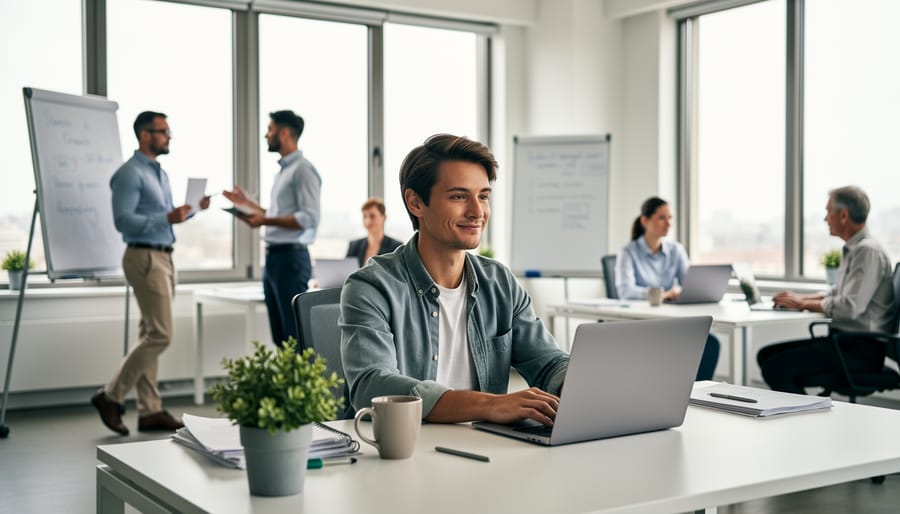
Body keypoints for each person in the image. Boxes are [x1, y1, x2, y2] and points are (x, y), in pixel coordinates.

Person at [340, 134, 568, 425]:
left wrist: (577, 382)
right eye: (459, 196)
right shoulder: (371, 287)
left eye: (483, 196)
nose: (477, 212)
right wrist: (490, 405)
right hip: (399, 454)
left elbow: (548, 362)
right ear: (416, 202)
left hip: (483, 451)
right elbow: (373, 385)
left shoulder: (500, 283)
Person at [91, 111, 210, 436]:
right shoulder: (130, 174)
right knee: (161, 335)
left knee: (149, 334)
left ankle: (150, 411)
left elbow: (165, 217)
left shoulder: (160, 173)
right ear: (145, 135)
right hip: (143, 256)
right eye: (163, 132)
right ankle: (110, 395)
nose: (168, 137)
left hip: (163, 256)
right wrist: (165, 218)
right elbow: (123, 220)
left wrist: (190, 212)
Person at [757, 186, 894, 394]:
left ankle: (803, 420)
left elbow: (850, 307)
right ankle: (805, 414)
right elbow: (836, 294)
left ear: (844, 215)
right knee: (766, 355)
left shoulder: (867, 252)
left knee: (774, 367)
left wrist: (803, 304)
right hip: (845, 343)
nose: (825, 218)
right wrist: (799, 299)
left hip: (858, 350)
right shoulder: (856, 249)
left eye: (828, 211)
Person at [224, 110, 321, 348]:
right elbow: (276, 215)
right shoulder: (283, 172)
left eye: (270, 130)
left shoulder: (303, 170)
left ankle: (304, 386)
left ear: (284, 133)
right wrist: (247, 204)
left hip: (291, 259)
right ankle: (288, 387)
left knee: (295, 336)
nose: (266, 135)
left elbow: (308, 218)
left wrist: (264, 222)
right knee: (281, 337)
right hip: (275, 260)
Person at [615, 196, 721, 380]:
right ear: (645, 220)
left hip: (668, 320)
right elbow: (625, 291)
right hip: (639, 322)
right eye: (662, 218)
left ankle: (696, 397)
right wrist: (662, 295)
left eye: (670, 218)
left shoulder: (676, 250)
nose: (668, 223)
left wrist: (684, 292)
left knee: (709, 343)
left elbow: (689, 284)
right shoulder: (628, 252)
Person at [346, 197, 402, 267]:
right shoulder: (354, 246)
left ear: (384, 217)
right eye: (365, 216)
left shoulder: (396, 247)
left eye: (372, 216)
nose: (368, 221)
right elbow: (346, 272)